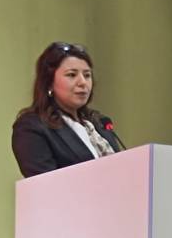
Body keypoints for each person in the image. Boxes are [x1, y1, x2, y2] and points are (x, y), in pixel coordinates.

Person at [11, 42, 125, 178]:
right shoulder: (32, 127)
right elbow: (45, 184)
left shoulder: (99, 122)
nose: (82, 82)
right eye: (71, 75)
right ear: (49, 82)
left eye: (87, 75)